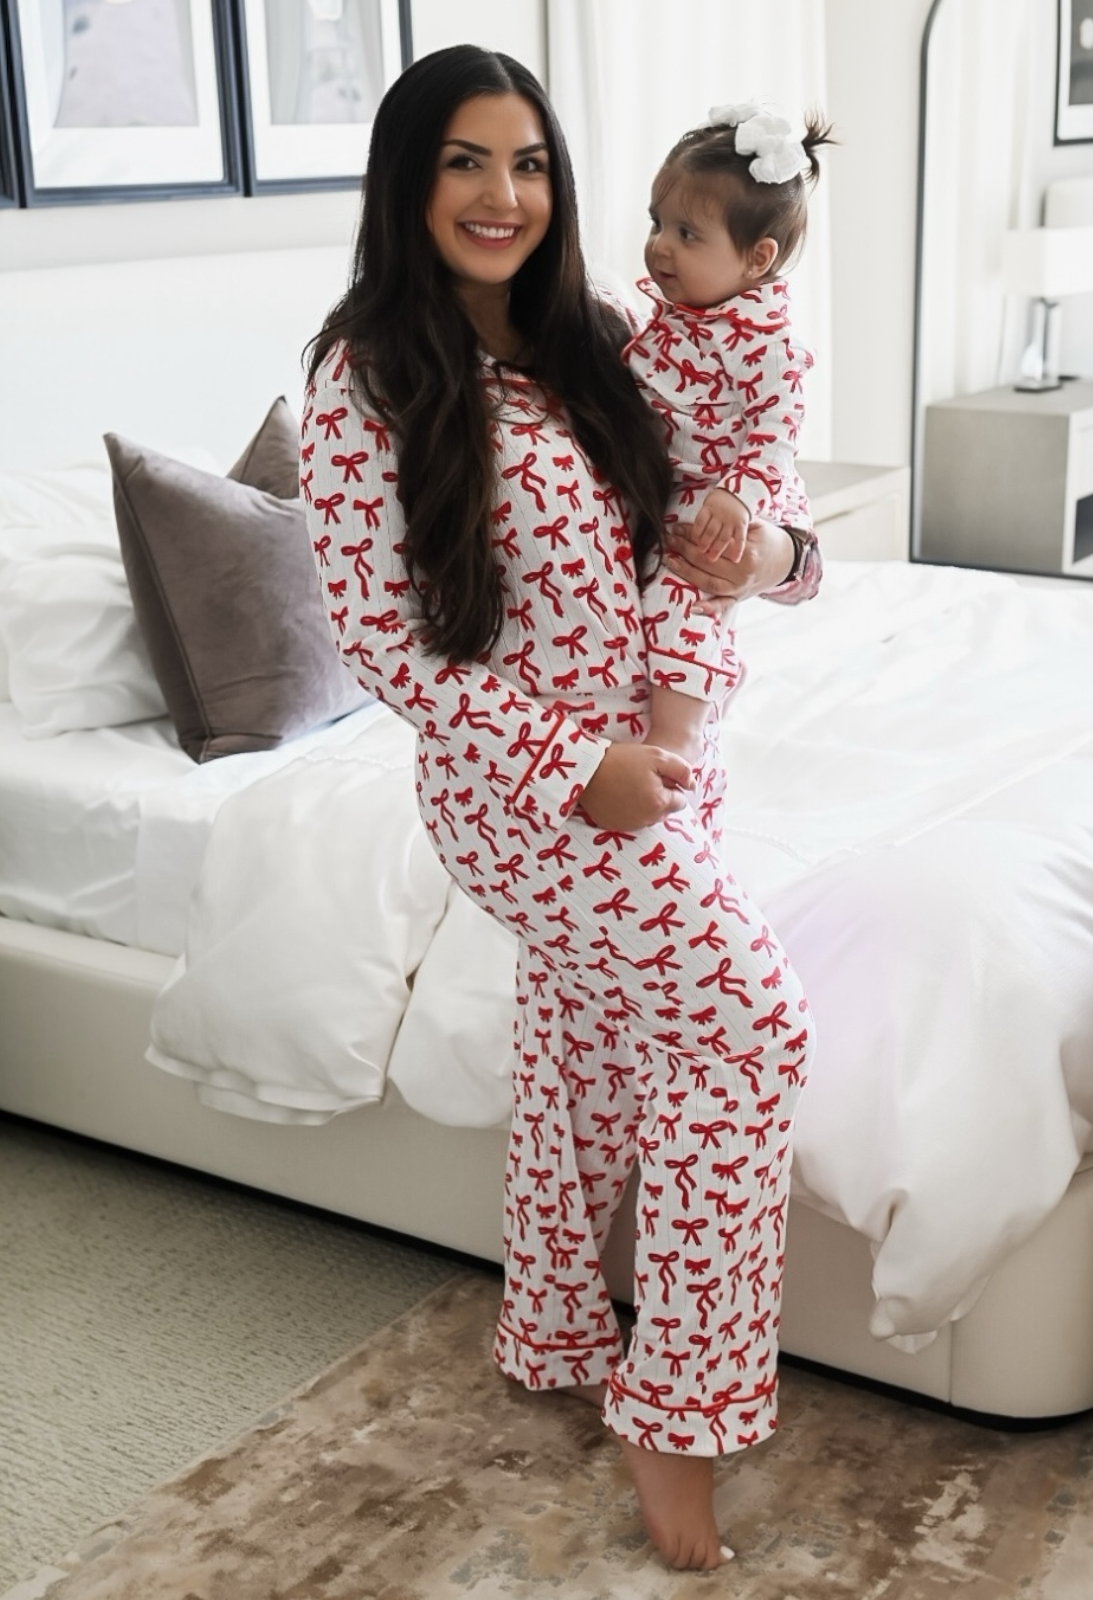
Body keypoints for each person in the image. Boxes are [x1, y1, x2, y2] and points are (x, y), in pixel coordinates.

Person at [302, 44, 817, 1573]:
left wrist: (768, 553)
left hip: (657, 755)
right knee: (746, 1025)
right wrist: (571, 764)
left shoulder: (599, 339)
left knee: (593, 1027)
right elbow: (383, 642)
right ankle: (677, 1421)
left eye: (526, 162)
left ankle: (549, 1326)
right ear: (409, 180)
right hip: (525, 794)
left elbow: (747, 525)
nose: (502, 193)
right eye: (465, 161)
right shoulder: (362, 383)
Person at [626, 103, 832, 770]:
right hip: (688, 489)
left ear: (757, 258)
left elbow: (776, 430)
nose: (660, 245)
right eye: (657, 223)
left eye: (687, 233)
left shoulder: (761, 339)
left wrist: (740, 499)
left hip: (737, 493)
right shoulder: (672, 315)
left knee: (685, 596)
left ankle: (680, 729)